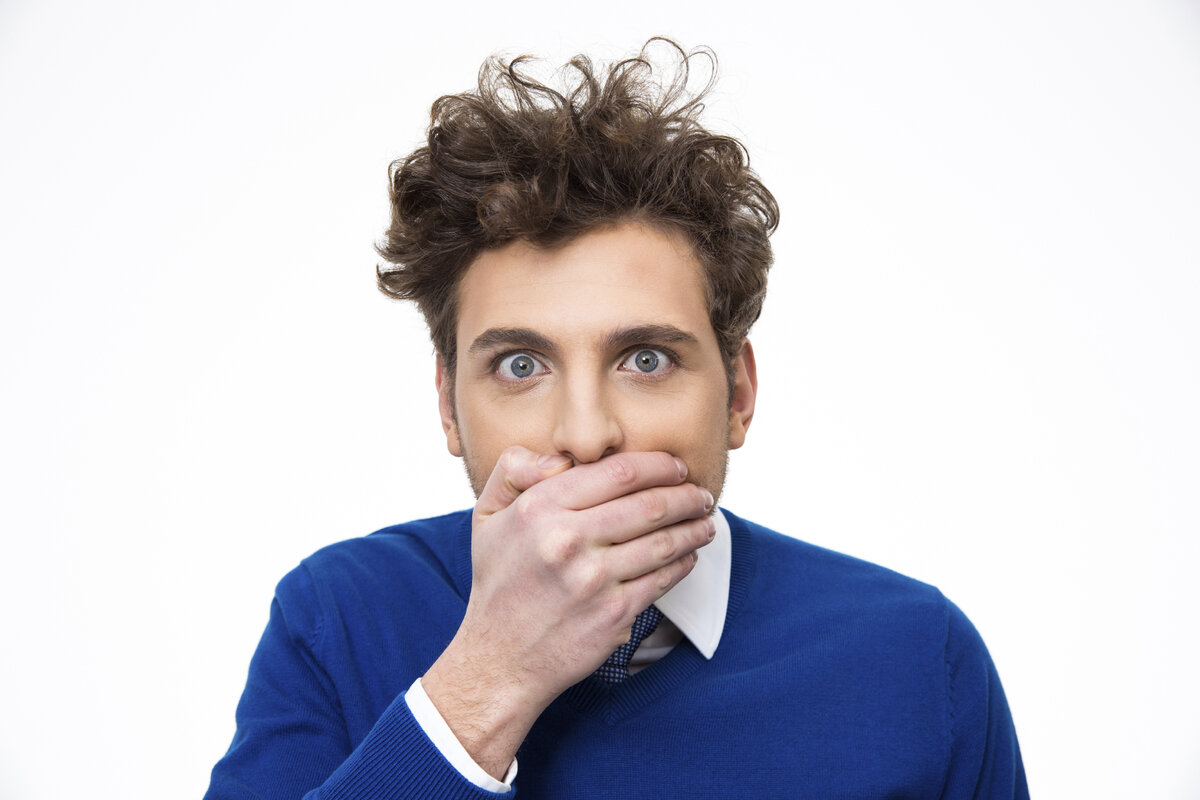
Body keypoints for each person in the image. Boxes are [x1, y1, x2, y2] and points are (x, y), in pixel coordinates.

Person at [204, 39, 1028, 799]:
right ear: (449, 407)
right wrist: (490, 679)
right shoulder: (338, 619)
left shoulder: (918, 658)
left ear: (738, 395)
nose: (587, 434)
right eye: (520, 366)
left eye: (646, 359)